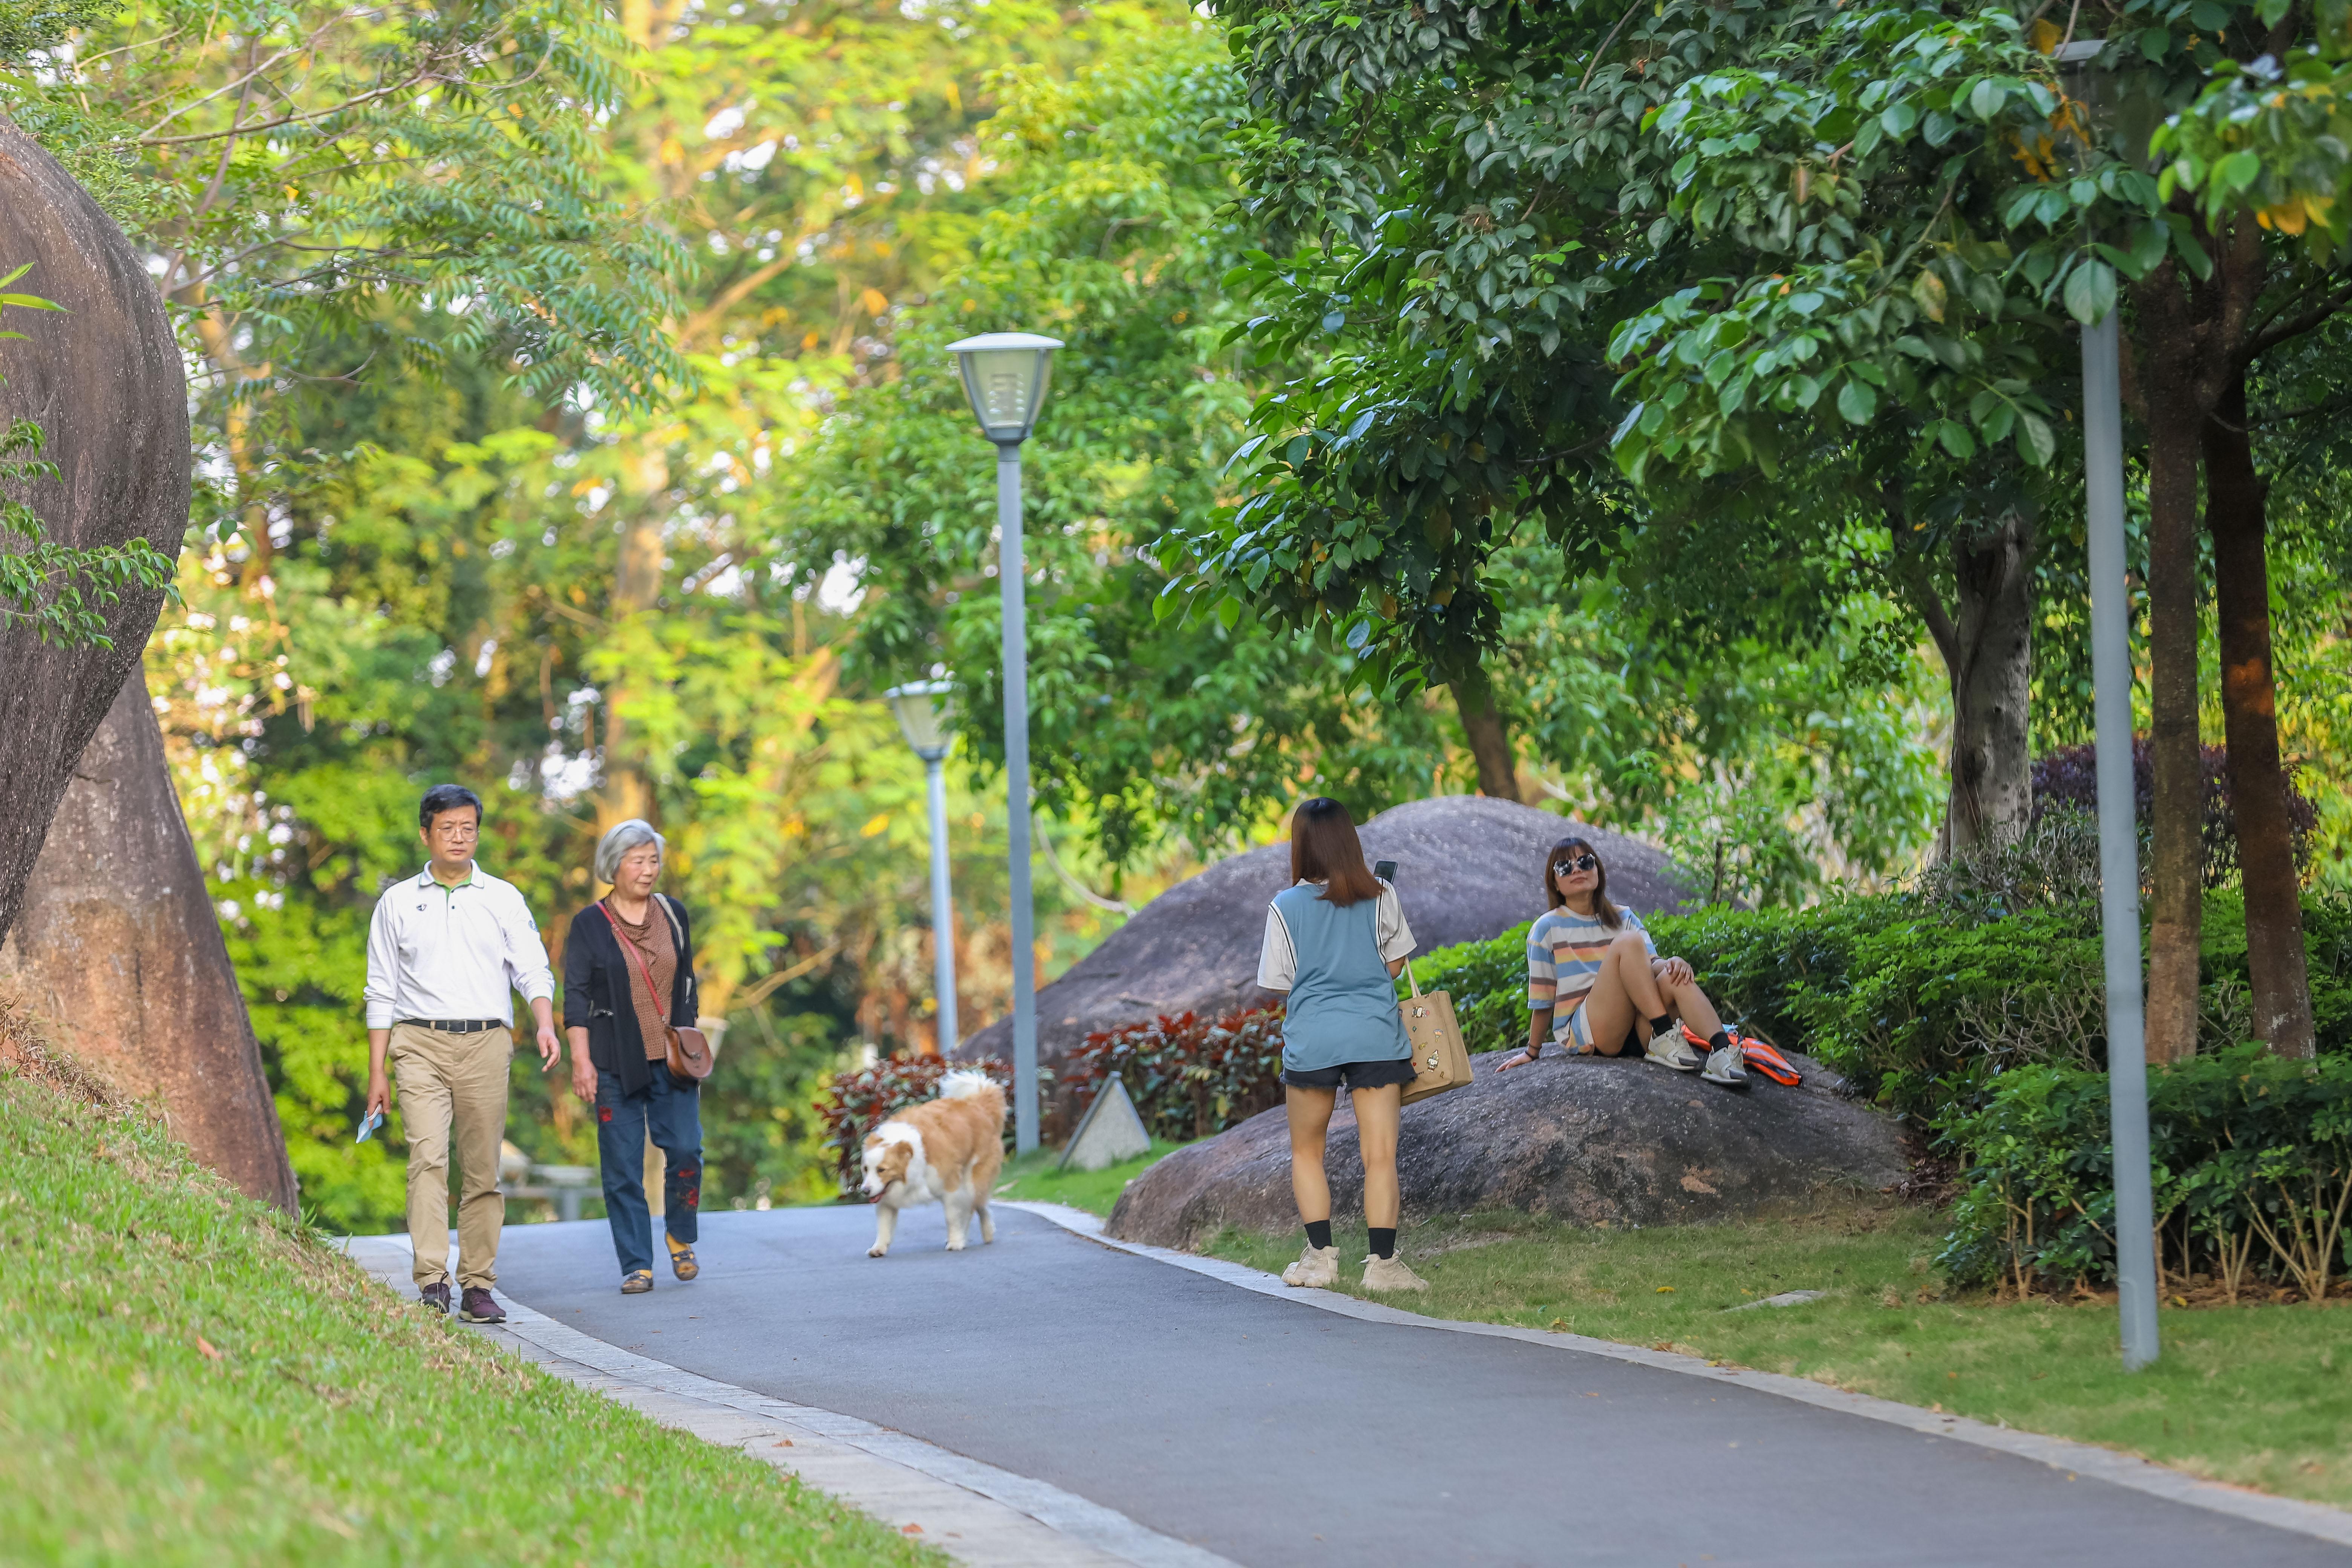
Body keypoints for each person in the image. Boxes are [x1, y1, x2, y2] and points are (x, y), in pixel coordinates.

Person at [364, 784, 563, 1323]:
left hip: (486, 1042)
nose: (458, 837)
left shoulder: (503, 898)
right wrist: (376, 1071)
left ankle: (478, 1285)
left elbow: (531, 968)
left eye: (468, 828)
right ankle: (433, 1279)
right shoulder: (399, 902)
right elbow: (380, 989)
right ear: (425, 834)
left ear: (478, 832)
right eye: (447, 828)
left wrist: (544, 1022)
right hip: (418, 1041)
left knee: (482, 1169)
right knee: (427, 1158)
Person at [1257, 797, 1427, 1293]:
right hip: (1375, 1034)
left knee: (1308, 1153)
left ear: (1301, 844)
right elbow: (1395, 966)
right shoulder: (1381, 893)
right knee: (1380, 1156)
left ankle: (1319, 1261)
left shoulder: (1284, 906)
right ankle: (1383, 1267)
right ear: (1350, 839)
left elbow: (1282, 979)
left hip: (1313, 1037)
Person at [564, 819, 705, 1296]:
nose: (649, 870)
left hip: (673, 1059)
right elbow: (575, 997)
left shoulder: (673, 912)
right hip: (612, 1061)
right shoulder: (589, 924)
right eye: (638, 860)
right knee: (622, 1166)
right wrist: (581, 1062)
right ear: (614, 865)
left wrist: (690, 1030)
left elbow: (687, 980)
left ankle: (680, 1233)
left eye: (654, 860)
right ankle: (636, 1263)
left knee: (686, 1148)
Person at [1498, 836, 1747, 1087]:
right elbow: (1543, 999)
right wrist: (1532, 1051)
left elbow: (1652, 964)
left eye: (1584, 862)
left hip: (1639, 1029)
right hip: (1592, 1032)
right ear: (1555, 883)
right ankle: (1663, 1031)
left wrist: (1674, 962)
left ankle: (1722, 1051)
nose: (1576, 869)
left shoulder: (1623, 916)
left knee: (1673, 975)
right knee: (1628, 942)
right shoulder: (1546, 928)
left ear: (1598, 871)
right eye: (1564, 867)